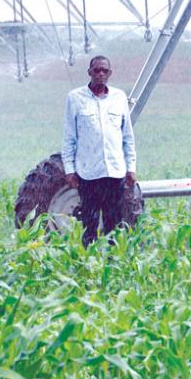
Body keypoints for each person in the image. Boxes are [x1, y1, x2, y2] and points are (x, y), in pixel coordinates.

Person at [62, 55, 137, 247]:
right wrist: (69, 170)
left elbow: (127, 136)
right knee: (90, 224)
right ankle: (90, 265)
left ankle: (112, 267)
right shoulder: (75, 98)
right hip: (88, 174)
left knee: (114, 224)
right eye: (97, 70)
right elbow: (69, 137)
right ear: (89, 73)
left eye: (105, 70)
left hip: (114, 172)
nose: (101, 74)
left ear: (110, 73)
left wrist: (131, 167)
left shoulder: (119, 97)